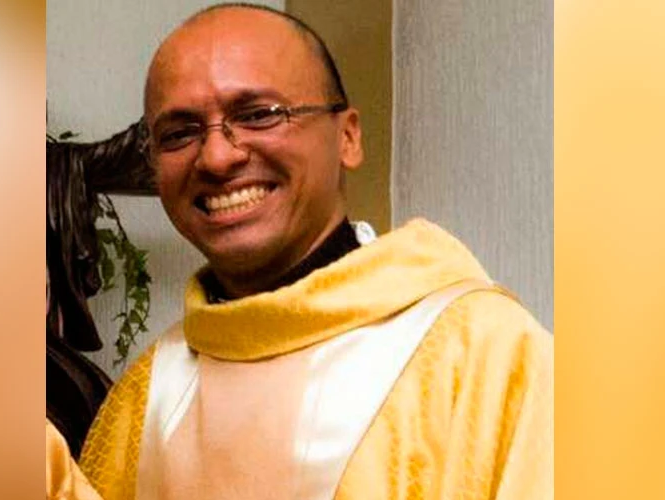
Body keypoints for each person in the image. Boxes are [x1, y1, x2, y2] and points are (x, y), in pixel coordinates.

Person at [79, 3, 552, 499]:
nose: (216, 157)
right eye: (179, 134)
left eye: (258, 115)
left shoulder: (483, 354)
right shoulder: (148, 393)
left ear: (348, 137)